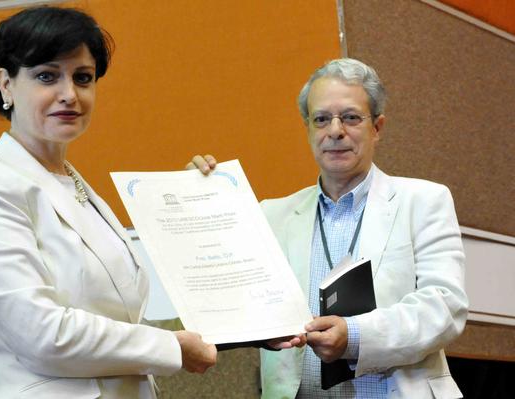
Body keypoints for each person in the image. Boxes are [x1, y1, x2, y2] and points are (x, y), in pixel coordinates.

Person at [0, 7, 218, 398]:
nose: (69, 94)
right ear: (6, 85)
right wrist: (171, 347)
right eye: (46, 76)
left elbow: (115, 315)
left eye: (83, 78)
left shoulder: (74, 185)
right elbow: (42, 335)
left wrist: (197, 206)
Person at [190, 58, 468, 398]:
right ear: (308, 129)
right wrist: (199, 196)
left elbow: (443, 307)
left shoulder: (423, 202)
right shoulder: (271, 215)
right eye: (321, 119)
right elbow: (224, 297)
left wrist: (354, 335)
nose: (335, 130)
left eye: (350, 117)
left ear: (377, 127)